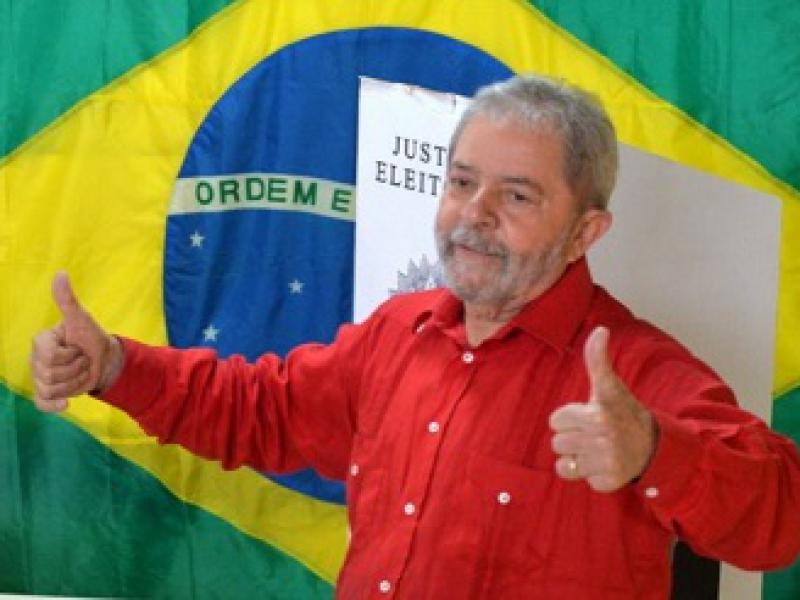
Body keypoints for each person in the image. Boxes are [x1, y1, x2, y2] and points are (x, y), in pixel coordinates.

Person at [30, 74, 800, 599]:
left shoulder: (634, 372)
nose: (474, 213)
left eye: (517, 196)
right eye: (462, 181)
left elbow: (781, 515)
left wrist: (656, 452)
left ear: (584, 232)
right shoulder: (400, 331)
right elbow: (259, 409)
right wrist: (114, 366)